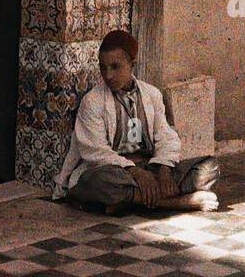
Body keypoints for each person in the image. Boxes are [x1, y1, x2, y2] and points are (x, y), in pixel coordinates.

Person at [53, 29, 220, 214]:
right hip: (117, 171)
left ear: (132, 65)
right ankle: (177, 202)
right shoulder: (93, 101)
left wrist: (164, 170)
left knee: (209, 167)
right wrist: (135, 172)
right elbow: (95, 152)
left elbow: (165, 135)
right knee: (97, 182)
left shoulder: (152, 94)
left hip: (151, 168)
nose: (108, 75)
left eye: (115, 67)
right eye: (103, 67)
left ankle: (133, 199)